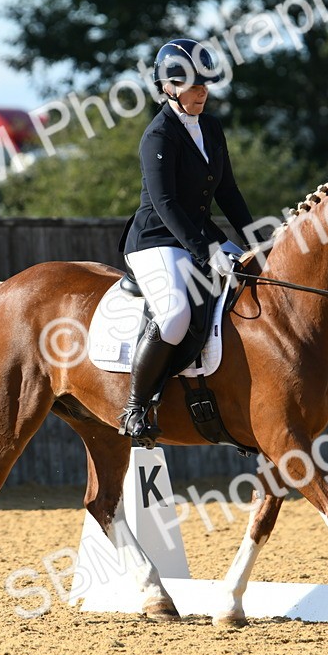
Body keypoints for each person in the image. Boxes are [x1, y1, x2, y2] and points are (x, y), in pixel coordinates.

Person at [117, 38, 258, 446]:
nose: (202, 92)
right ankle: (135, 407)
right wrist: (207, 252)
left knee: (253, 279)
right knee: (176, 314)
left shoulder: (211, 128)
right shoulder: (158, 136)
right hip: (156, 240)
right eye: (193, 85)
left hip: (199, 234)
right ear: (168, 87)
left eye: (205, 85)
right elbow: (165, 204)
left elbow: (227, 192)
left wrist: (255, 241)